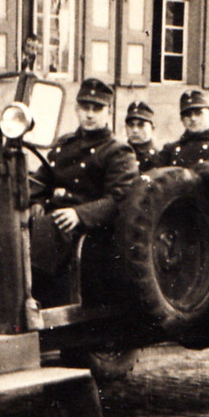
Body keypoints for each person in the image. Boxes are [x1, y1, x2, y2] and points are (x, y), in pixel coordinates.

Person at [29, 77, 138, 302]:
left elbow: (120, 198)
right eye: (84, 107)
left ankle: (41, 300)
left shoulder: (118, 151)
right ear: (76, 109)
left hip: (91, 228)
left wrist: (79, 214)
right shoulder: (64, 144)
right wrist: (36, 202)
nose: (89, 114)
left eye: (97, 108)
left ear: (108, 111)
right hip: (56, 219)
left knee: (48, 229)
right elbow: (41, 178)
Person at [156, 90, 209, 168]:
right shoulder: (170, 150)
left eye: (198, 113)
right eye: (188, 114)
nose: (193, 118)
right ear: (182, 120)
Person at [124, 101, 159, 172]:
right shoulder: (119, 155)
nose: (135, 130)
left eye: (141, 125)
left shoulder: (159, 158)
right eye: (131, 125)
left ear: (152, 128)